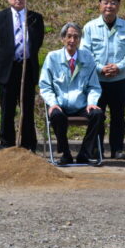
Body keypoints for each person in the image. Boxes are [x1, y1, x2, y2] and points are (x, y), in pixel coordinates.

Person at [81, 0, 125, 159]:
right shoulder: (90, 27)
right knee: (98, 115)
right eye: (106, 2)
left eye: (113, 2)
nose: (109, 6)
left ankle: (117, 149)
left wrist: (119, 67)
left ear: (119, 6)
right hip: (96, 80)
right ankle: (96, 148)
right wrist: (100, 67)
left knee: (118, 116)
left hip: (119, 79)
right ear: (99, 5)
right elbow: (85, 52)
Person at [0, 0, 44, 151]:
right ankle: (7, 144)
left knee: (27, 110)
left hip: (27, 69)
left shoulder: (35, 18)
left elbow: (38, 42)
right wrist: (8, 56)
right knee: (7, 110)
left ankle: (29, 145)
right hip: (8, 69)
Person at [39, 23, 104, 165]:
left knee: (98, 114)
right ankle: (65, 153)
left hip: (81, 105)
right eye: (69, 36)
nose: (72, 40)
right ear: (63, 38)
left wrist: (91, 102)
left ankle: (84, 153)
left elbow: (94, 86)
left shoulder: (87, 57)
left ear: (80, 40)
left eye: (76, 37)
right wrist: (53, 103)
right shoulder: (52, 57)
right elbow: (45, 85)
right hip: (60, 104)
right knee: (55, 115)